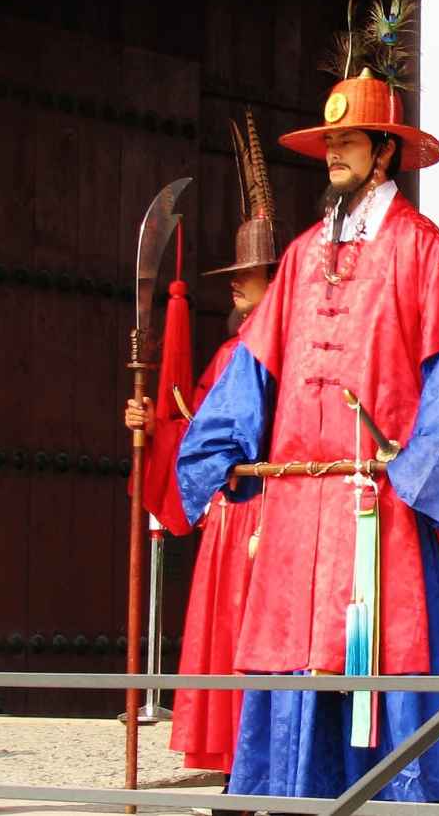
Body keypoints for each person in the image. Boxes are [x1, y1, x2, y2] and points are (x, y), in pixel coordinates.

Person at [176, 0, 439, 806]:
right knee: (292, 654)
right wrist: (216, 449)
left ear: (386, 151)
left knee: (386, 652)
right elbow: (254, 365)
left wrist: (415, 468)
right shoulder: (298, 256)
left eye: (348, 142)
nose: (333, 156)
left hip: (377, 506)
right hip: (296, 511)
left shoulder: (421, 251)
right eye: (329, 144)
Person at [121, 111, 278, 777]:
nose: (235, 283)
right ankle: (233, 755)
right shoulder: (228, 355)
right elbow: (198, 438)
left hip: (273, 514)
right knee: (226, 635)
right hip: (230, 518)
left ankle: (269, 758)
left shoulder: (289, 351)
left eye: (248, 273)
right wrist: (152, 428)